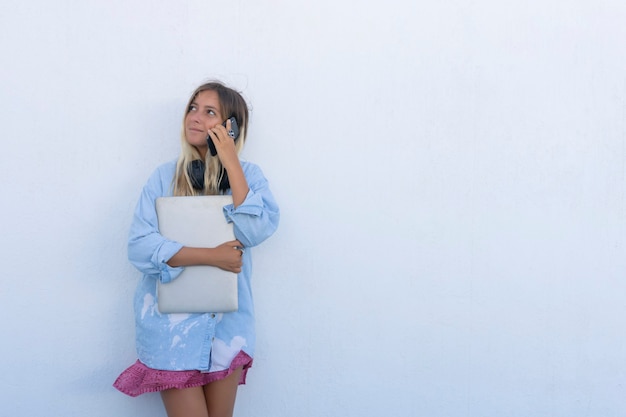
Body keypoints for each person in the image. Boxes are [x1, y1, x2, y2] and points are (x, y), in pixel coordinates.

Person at [113, 81, 280, 417]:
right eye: (193, 108)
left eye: (209, 112)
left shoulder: (249, 177)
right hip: (169, 331)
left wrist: (231, 162)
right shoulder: (163, 177)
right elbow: (140, 247)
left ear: (230, 126)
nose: (195, 117)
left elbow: (256, 229)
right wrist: (212, 256)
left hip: (227, 329)